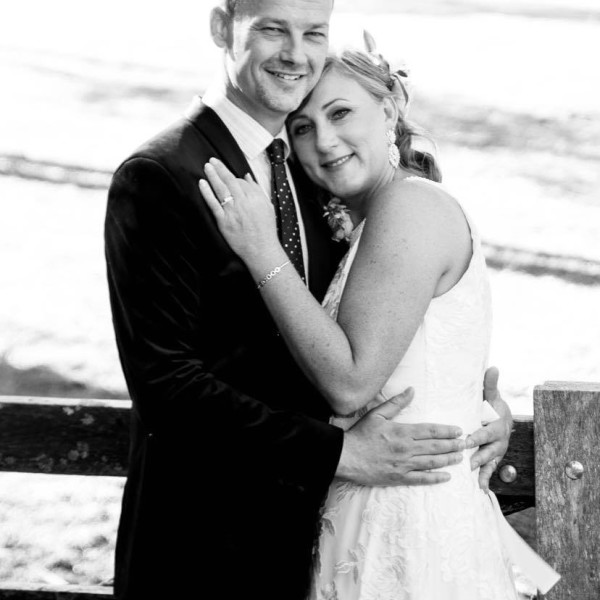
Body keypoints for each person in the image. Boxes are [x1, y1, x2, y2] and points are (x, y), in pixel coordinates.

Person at [104, 1, 513, 599]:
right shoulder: (162, 174)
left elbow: (403, 321)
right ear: (224, 29)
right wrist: (339, 454)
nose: (295, 53)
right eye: (272, 28)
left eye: (313, 32)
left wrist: (475, 410)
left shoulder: (317, 178)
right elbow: (166, 383)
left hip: (333, 536)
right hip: (204, 548)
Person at [199, 46, 560, 598]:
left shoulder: (412, 208)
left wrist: (260, 250)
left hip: (412, 518)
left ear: (389, 109)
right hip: (373, 505)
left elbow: (350, 382)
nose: (323, 140)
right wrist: (475, 407)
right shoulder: (373, 220)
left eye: (341, 113)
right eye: (302, 127)